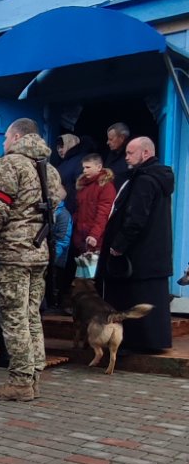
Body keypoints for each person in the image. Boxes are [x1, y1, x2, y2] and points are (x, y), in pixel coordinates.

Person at [0, 117, 63, 400]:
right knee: (32, 315)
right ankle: (34, 374)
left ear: (18, 137)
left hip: (12, 255)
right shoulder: (51, 170)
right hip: (38, 253)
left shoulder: (10, 165)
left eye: (6, 138)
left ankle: (20, 382)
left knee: (13, 317)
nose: (4, 143)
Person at [97, 136, 174, 352]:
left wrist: (119, 244)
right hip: (152, 255)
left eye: (131, 153)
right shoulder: (156, 178)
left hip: (138, 256)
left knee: (133, 298)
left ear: (146, 153)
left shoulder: (145, 180)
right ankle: (151, 342)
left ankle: (133, 343)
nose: (126, 157)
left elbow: (136, 217)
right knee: (149, 300)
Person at [72, 154, 114, 257]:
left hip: (96, 240)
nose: (84, 171)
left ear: (99, 167)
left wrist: (94, 235)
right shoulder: (83, 186)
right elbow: (78, 212)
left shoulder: (106, 187)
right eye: (83, 167)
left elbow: (103, 214)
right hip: (82, 239)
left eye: (88, 167)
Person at [56, 132, 97, 213]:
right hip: (64, 208)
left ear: (71, 143)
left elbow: (83, 188)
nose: (60, 150)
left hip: (73, 210)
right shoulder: (64, 162)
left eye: (62, 146)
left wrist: (65, 191)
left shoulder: (82, 160)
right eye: (58, 148)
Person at [105, 122, 131, 191]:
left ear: (122, 138)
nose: (107, 142)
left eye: (111, 139)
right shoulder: (111, 154)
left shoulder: (132, 156)